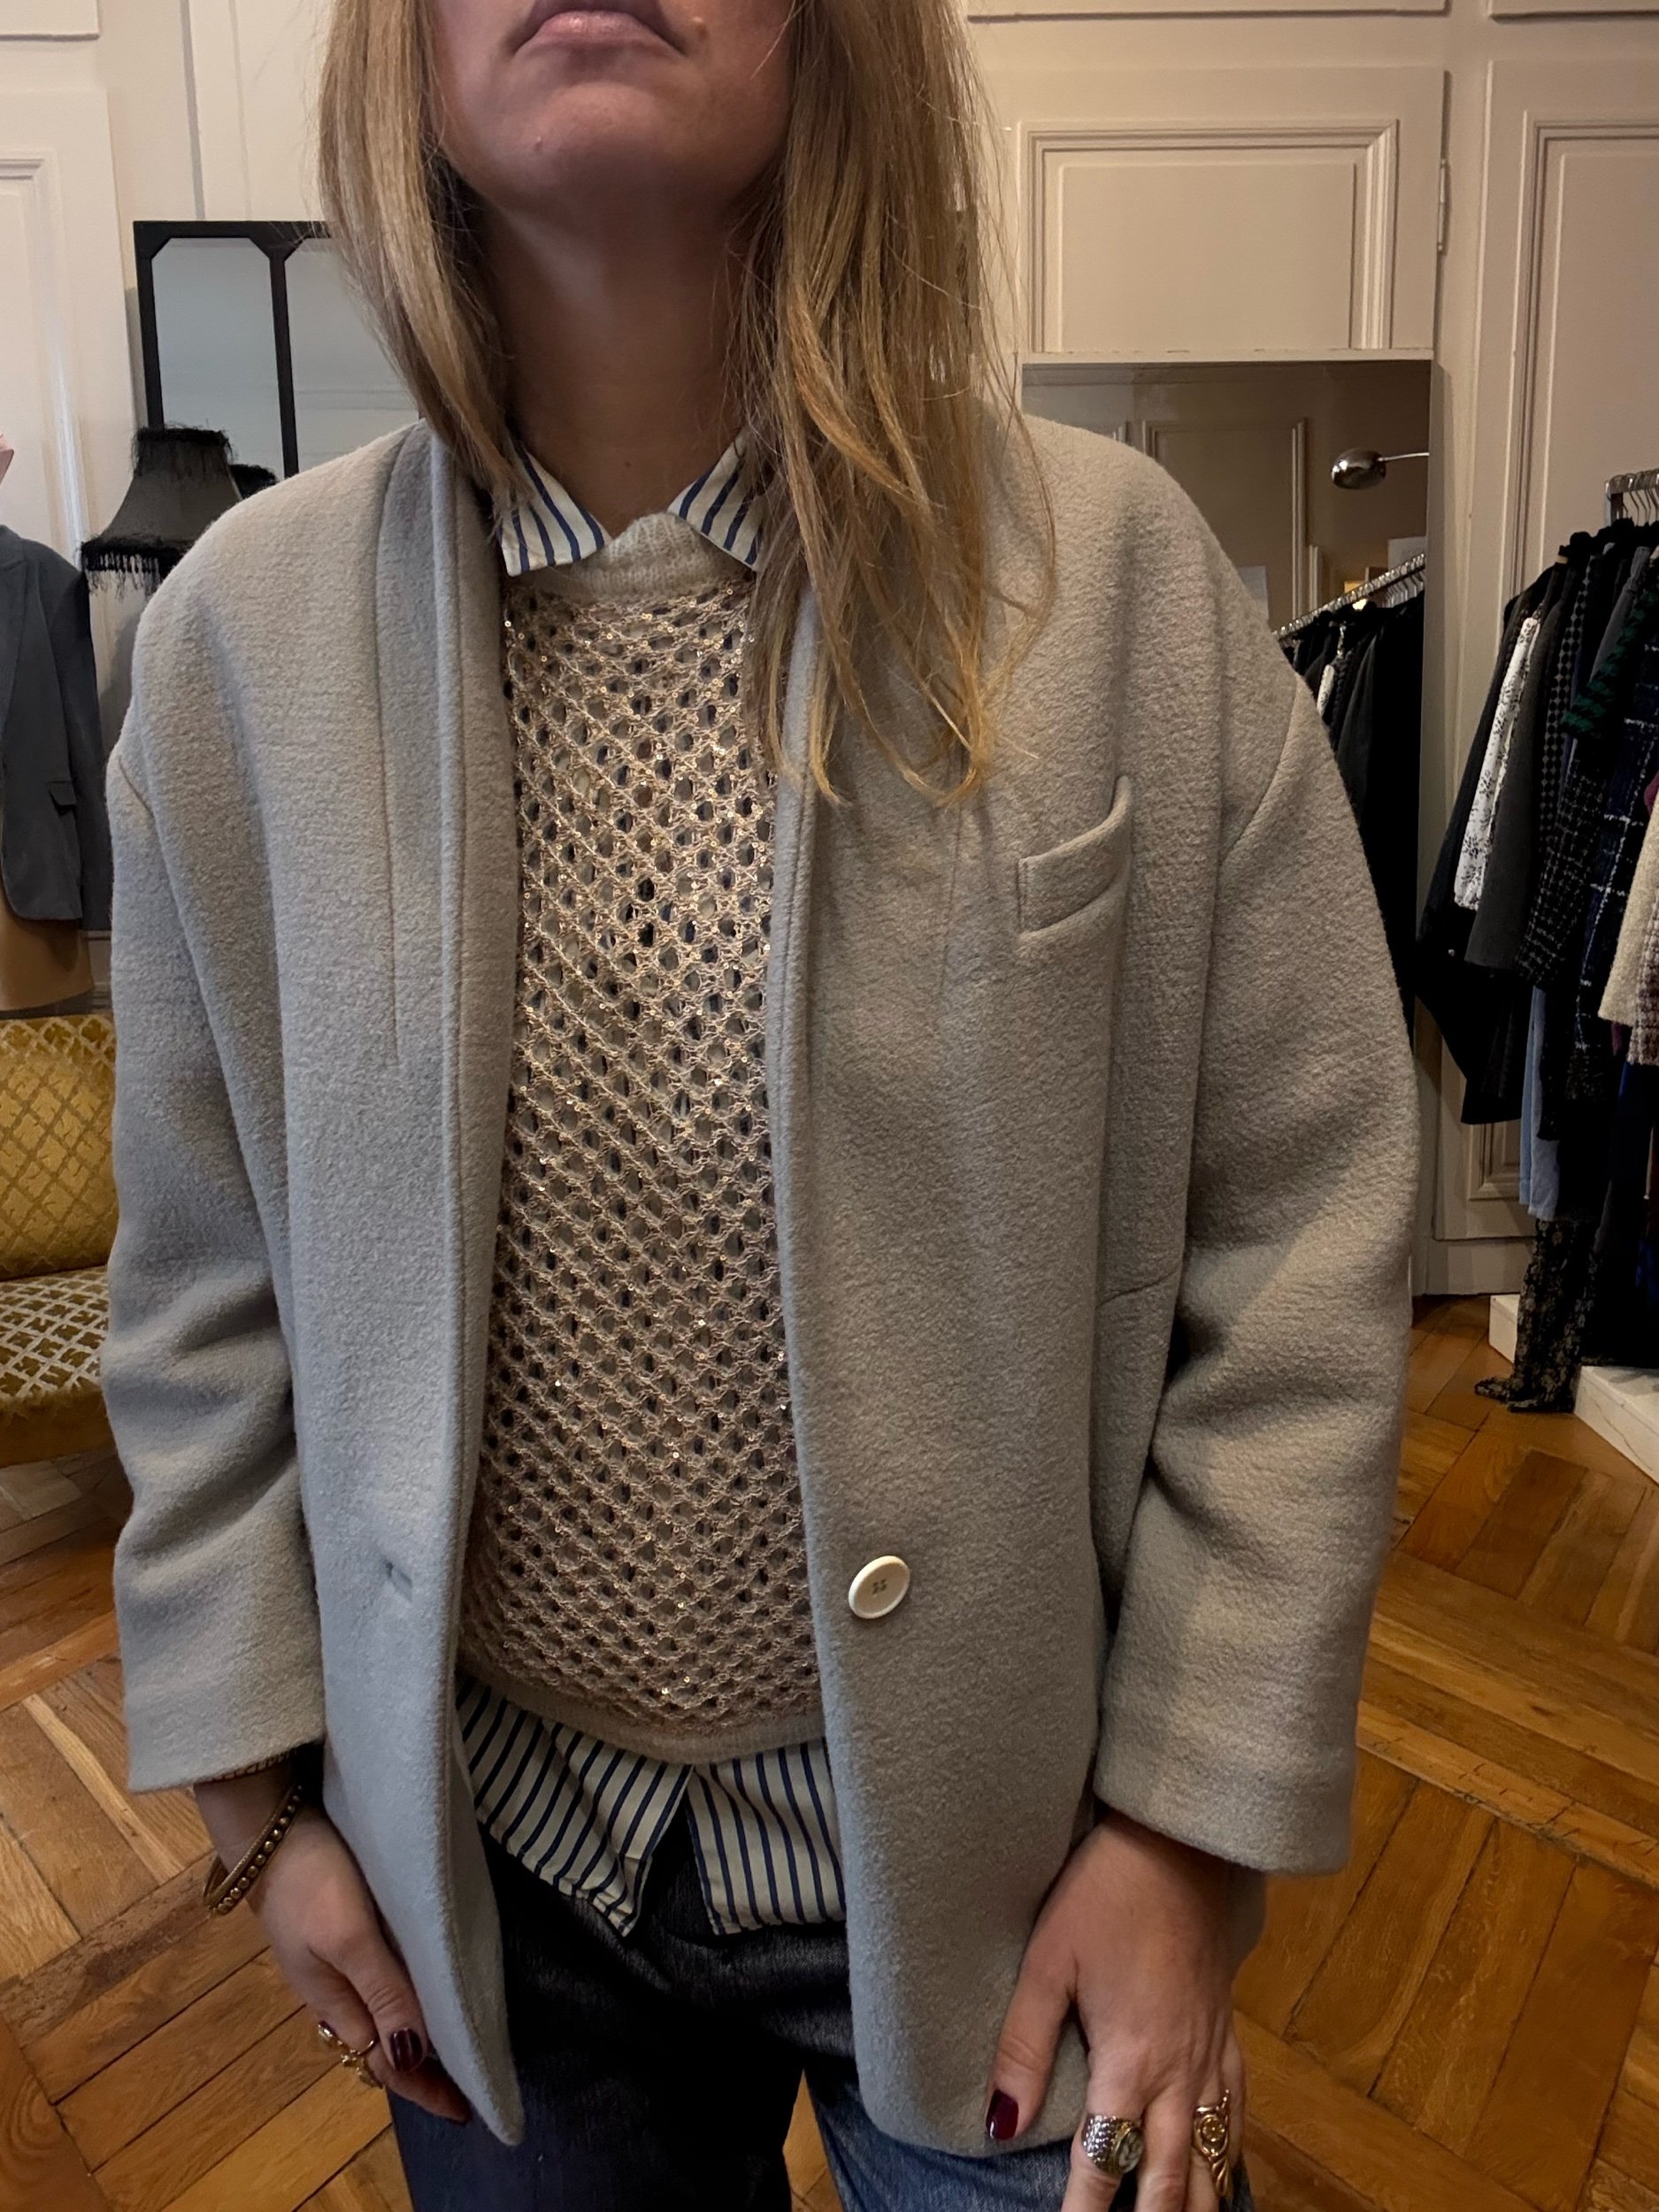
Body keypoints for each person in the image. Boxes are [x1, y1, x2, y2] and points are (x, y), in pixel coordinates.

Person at [99, 0, 1419, 2205]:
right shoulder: (242, 653)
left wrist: (1189, 1826)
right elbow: (199, 1278)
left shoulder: (1114, 586)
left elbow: (1300, 1234)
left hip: (1017, 1879)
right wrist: (260, 1809)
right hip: (494, 1891)